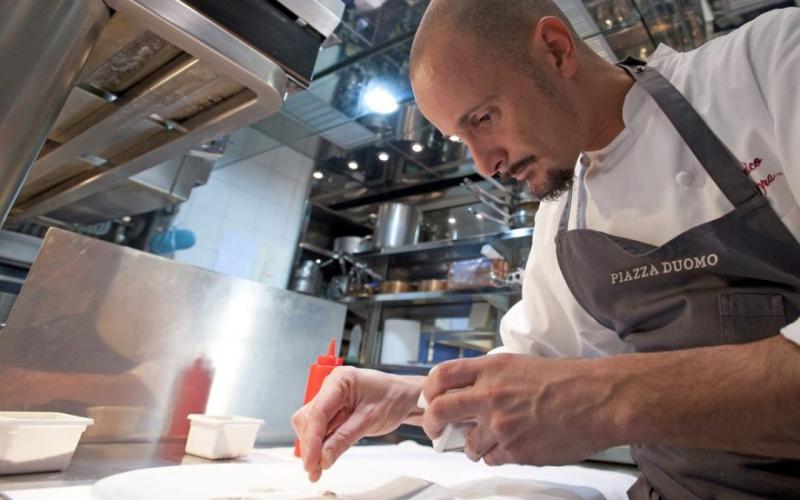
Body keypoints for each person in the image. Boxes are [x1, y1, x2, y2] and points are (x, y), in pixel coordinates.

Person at [292, 1, 800, 497]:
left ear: (556, 51)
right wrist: (402, 397)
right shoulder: (561, 218)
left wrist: (603, 400)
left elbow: (570, 396)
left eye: (485, 118)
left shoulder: (766, 64)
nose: (484, 163)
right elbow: (526, 377)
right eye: (460, 139)